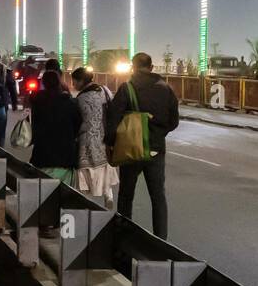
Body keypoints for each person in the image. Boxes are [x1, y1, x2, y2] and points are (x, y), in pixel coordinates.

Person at [105, 52, 179, 239]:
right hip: (156, 150)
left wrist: (111, 144)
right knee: (158, 197)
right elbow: (174, 121)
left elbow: (113, 120)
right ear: (152, 67)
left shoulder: (127, 88)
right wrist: (157, 134)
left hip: (131, 150)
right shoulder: (166, 89)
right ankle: (161, 240)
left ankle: (123, 237)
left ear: (133, 67)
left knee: (126, 196)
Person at [71, 66, 117, 206]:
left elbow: (76, 121)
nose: (73, 85)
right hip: (105, 138)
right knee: (104, 167)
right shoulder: (105, 90)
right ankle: (108, 195)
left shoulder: (80, 98)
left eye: (74, 82)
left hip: (86, 139)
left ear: (81, 81)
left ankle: (85, 202)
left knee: (86, 171)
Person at [26, 70, 81, 183]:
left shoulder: (37, 101)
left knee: (43, 192)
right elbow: (77, 126)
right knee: (63, 194)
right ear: (59, 83)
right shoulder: (70, 103)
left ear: (44, 84)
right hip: (66, 157)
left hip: (42, 155)